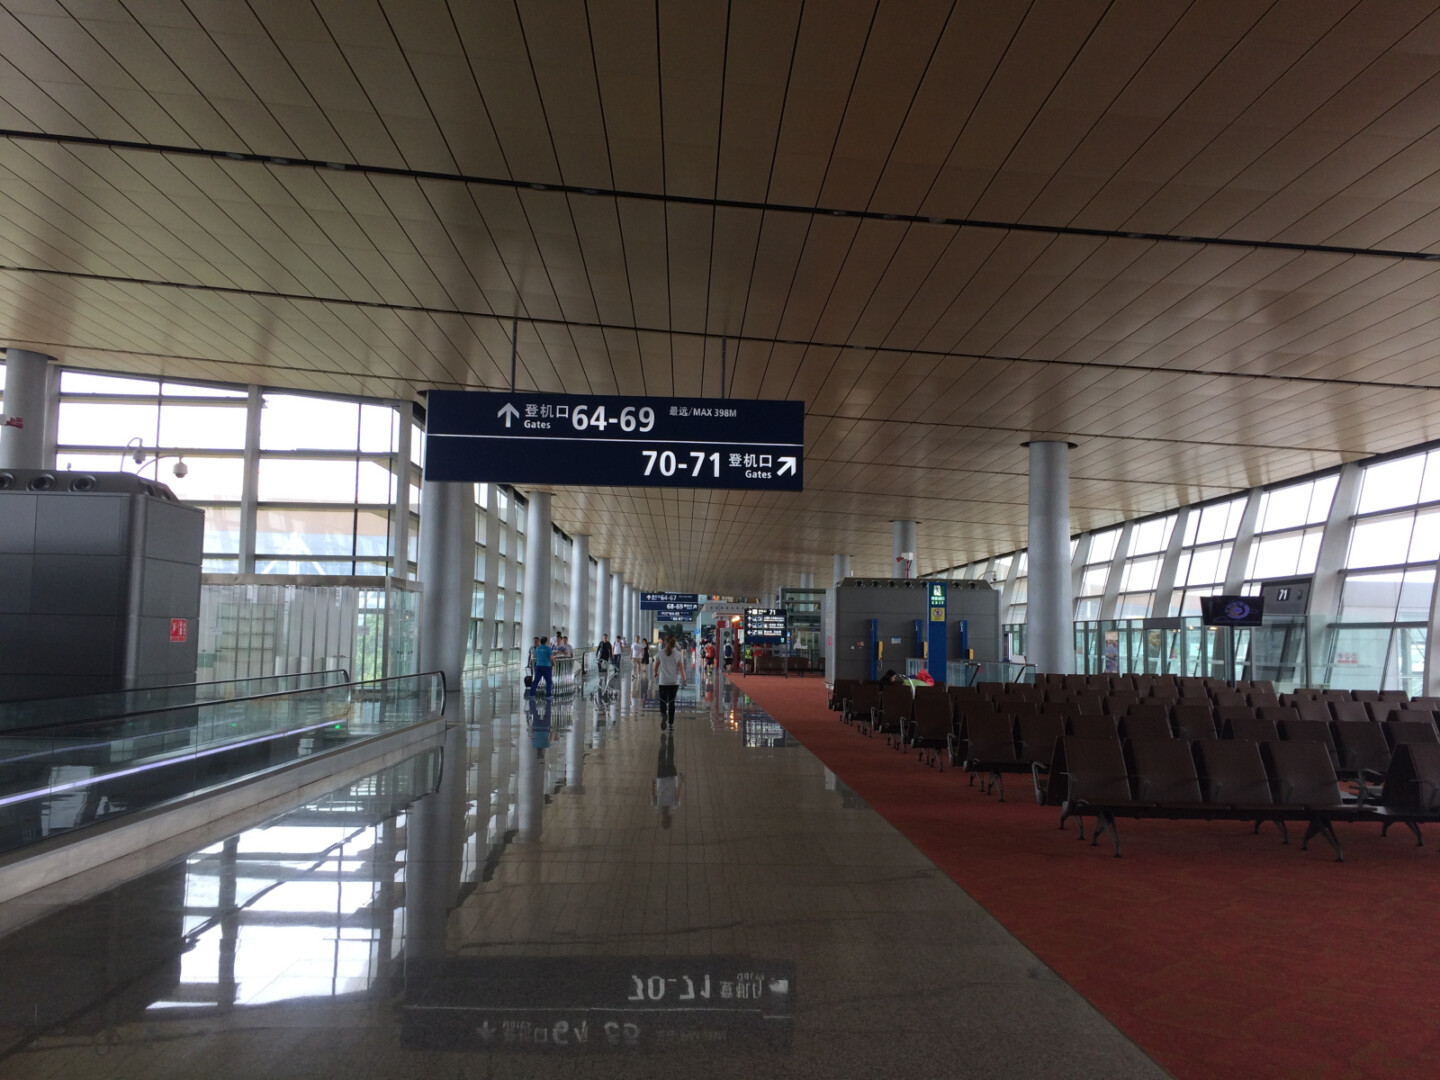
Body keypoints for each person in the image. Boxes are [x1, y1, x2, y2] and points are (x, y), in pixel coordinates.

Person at [652, 634, 688, 730]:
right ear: (674, 643)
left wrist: (655, 673)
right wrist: (684, 680)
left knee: (663, 700)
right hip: (674, 682)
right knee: (671, 702)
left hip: (663, 681)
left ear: (665, 642)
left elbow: (656, 666)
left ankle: (664, 714)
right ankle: (671, 723)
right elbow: (681, 669)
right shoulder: (678, 654)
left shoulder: (660, 653)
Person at [653, 731, 683, 830]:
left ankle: (669, 742)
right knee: (661, 759)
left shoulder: (674, 805)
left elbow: (678, 792)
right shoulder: (658, 807)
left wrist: (681, 781)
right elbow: (653, 795)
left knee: (670, 758)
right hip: (661, 778)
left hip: (670, 777)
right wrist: (653, 784)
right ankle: (663, 745)